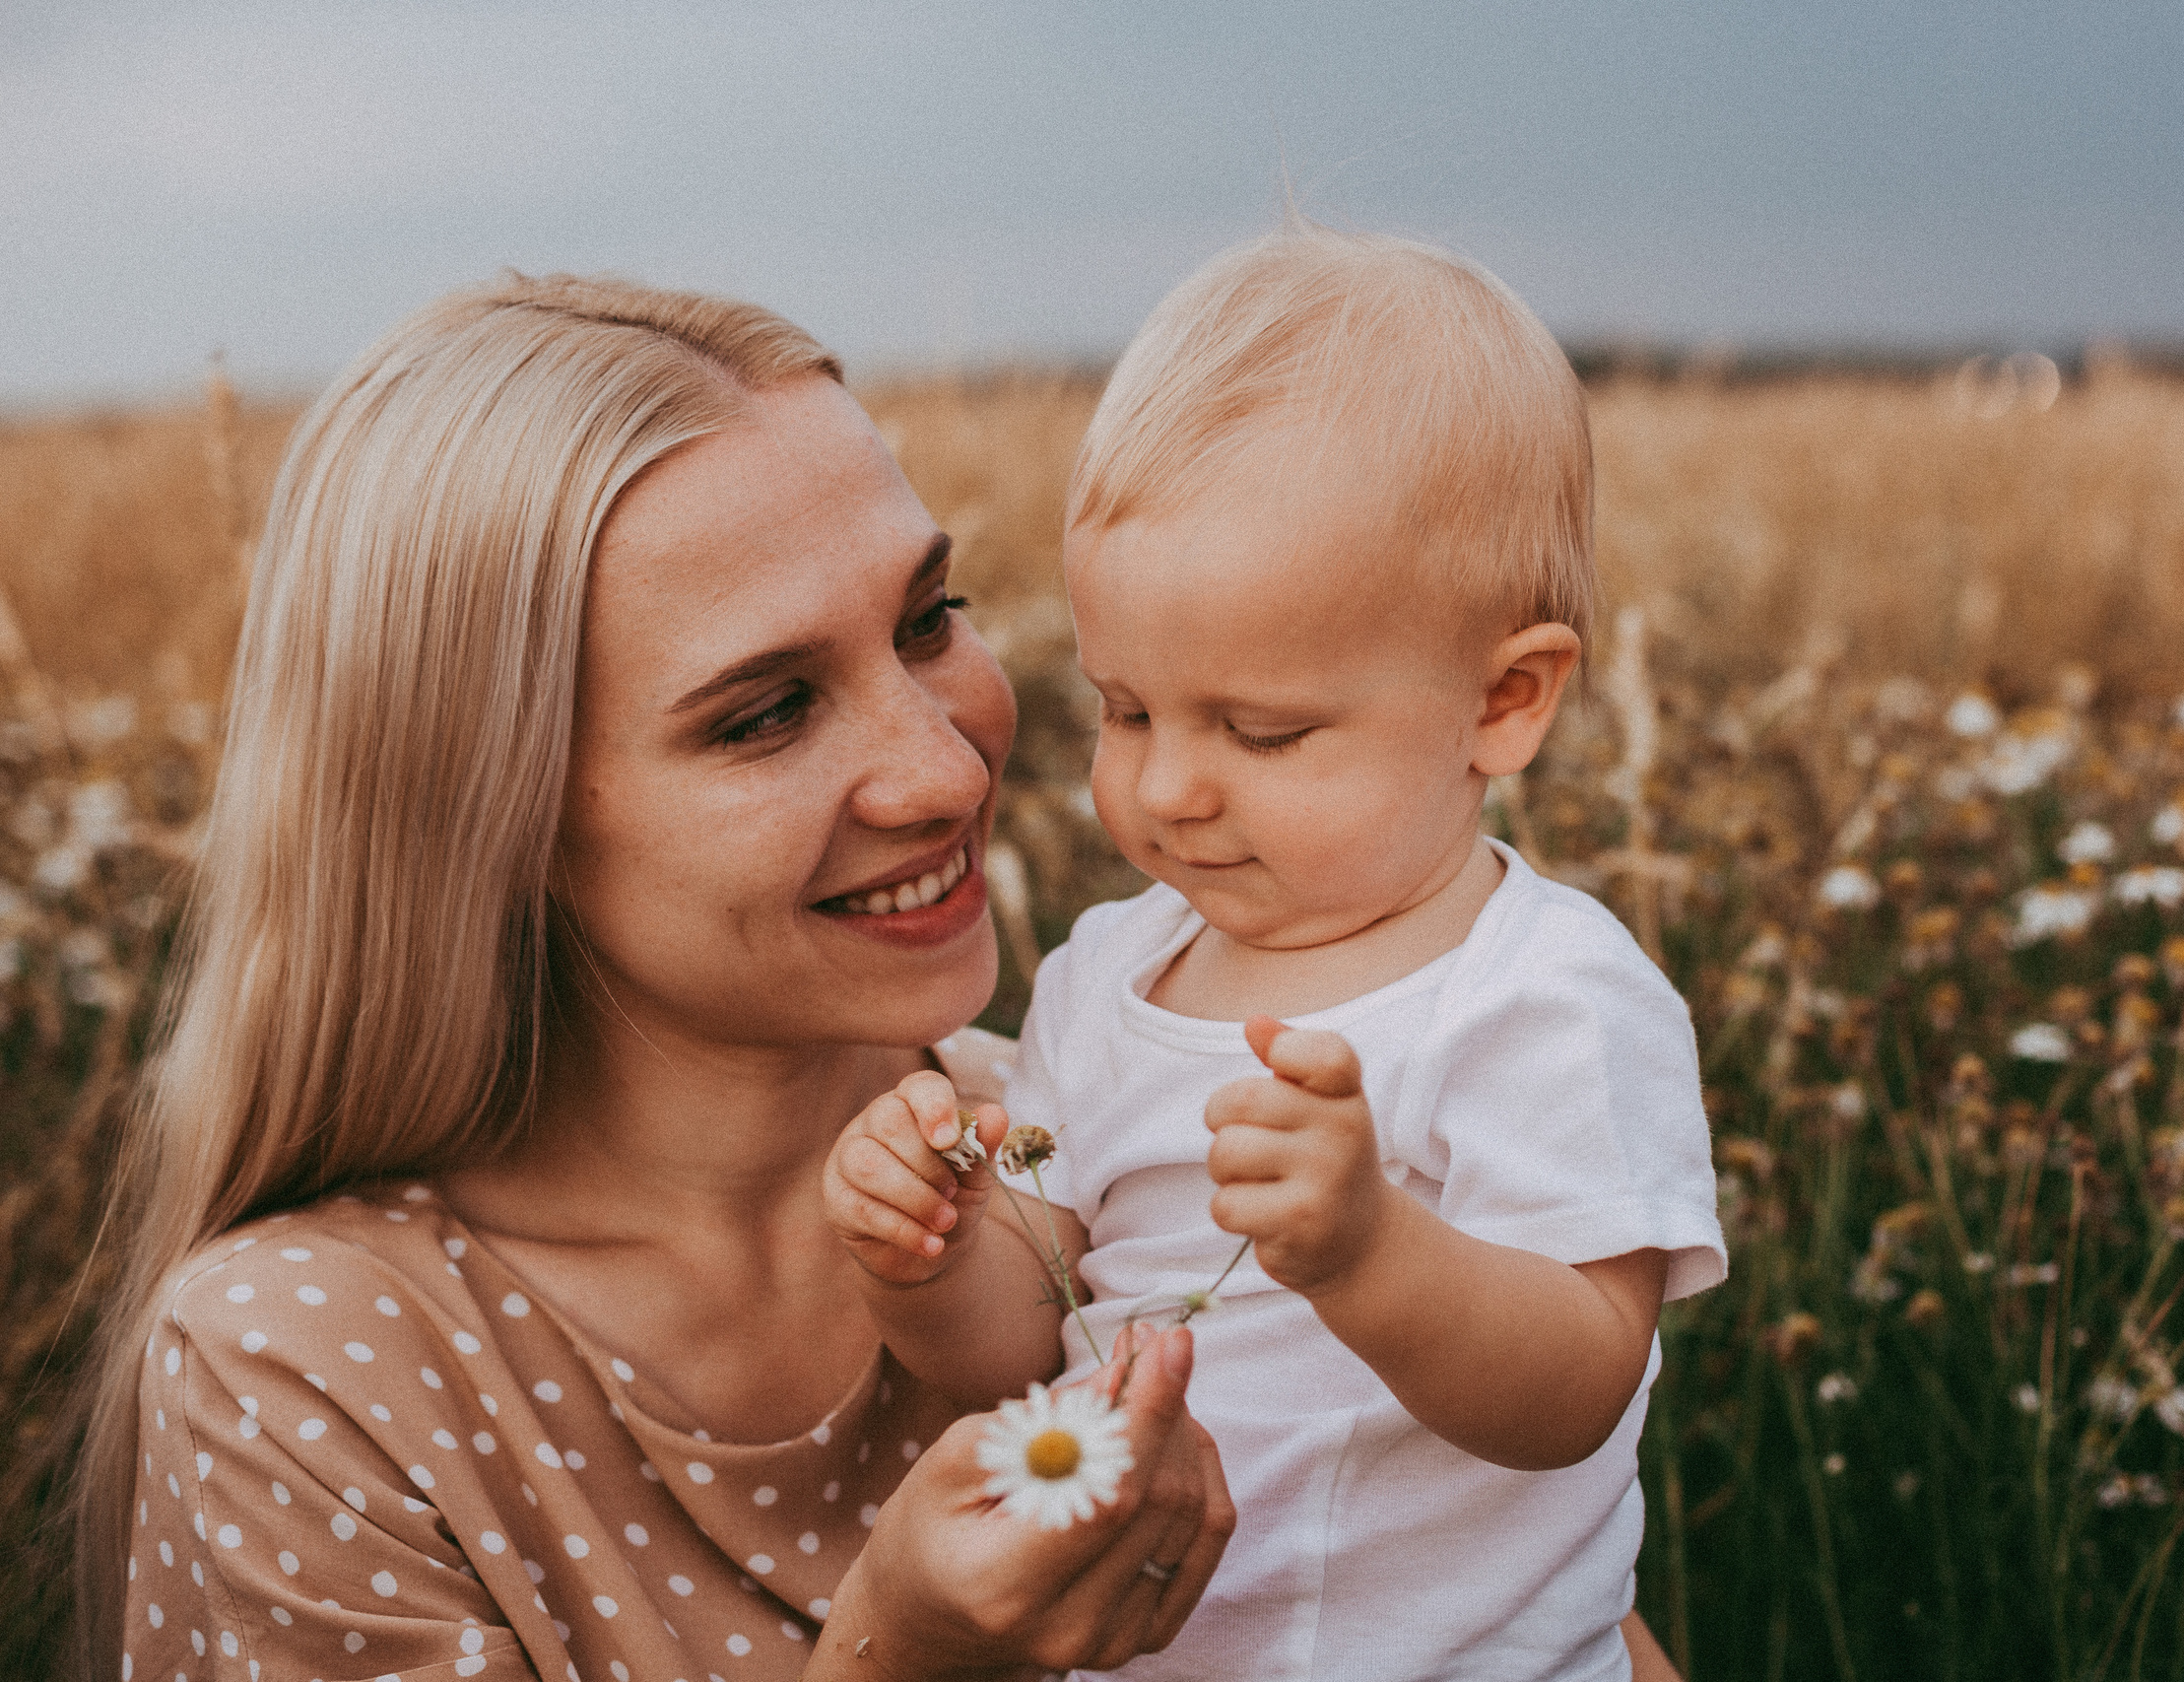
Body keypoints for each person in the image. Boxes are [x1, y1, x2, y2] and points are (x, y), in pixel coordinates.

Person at [69, 273, 1233, 1682]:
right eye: (767, 713)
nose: (946, 765)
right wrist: (905, 1658)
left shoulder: (1096, 1144)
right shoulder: (316, 1371)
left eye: (930, 618)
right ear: (496, 812)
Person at [827, 223, 1724, 1680]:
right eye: (1127, 710)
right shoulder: (1105, 977)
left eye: (1261, 731)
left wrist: (1374, 1252)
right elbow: (1028, 1327)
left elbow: (1577, 1382)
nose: (1171, 787)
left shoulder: (1547, 994)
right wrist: (924, 1262)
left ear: (1504, 703)